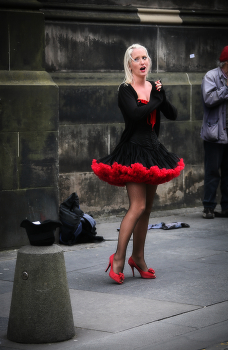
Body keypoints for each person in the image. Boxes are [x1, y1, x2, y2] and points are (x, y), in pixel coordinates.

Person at [92, 44, 184, 284]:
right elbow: (135, 115)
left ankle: (139, 258)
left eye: (145, 57)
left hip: (153, 151)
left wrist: (162, 98)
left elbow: (172, 114)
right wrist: (156, 99)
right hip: (133, 151)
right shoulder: (125, 89)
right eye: (137, 59)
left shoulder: (154, 87)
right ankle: (118, 259)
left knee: (148, 208)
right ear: (129, 64)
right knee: (138, 206)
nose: (143, 61)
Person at [200, 46, 228, 219]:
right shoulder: (211, 76)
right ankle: (209, 207)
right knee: (212, 172)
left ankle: (226, 207)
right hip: (214, 134)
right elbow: (209, 99)